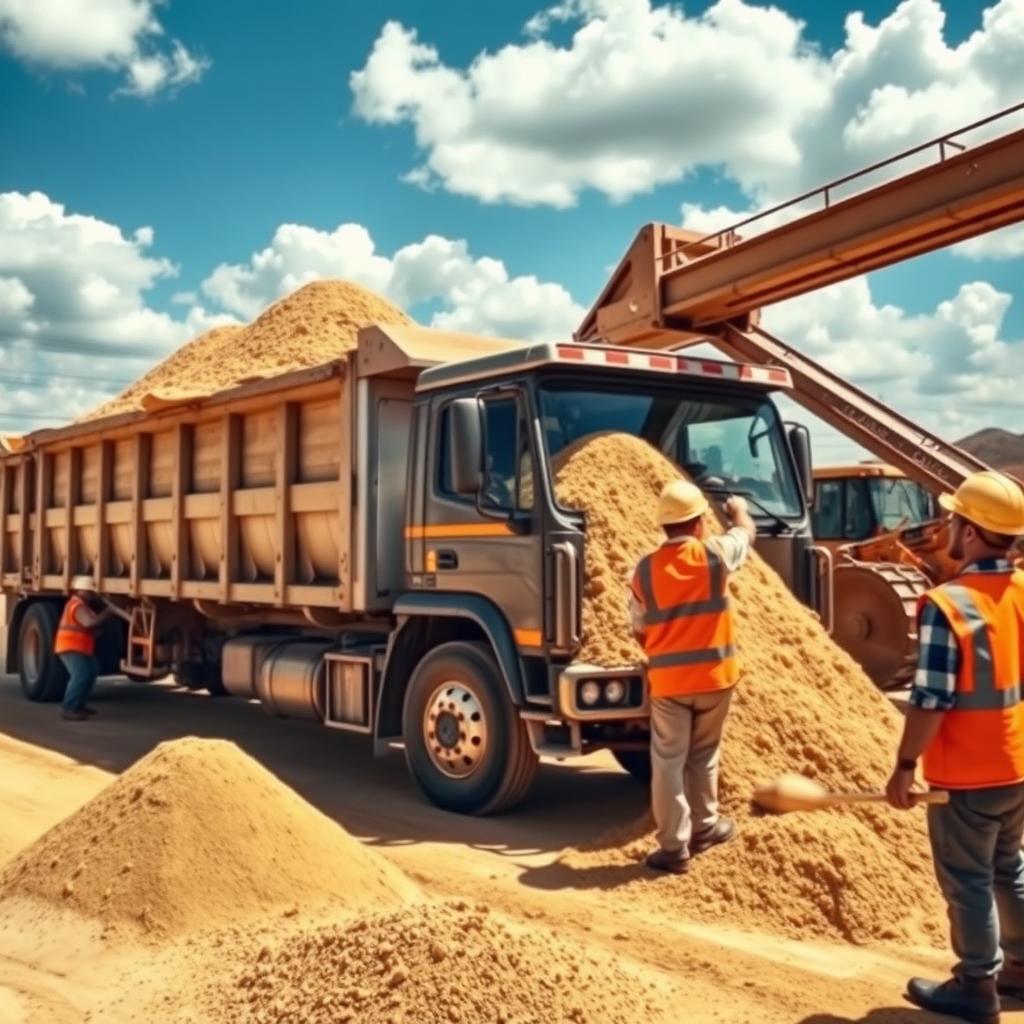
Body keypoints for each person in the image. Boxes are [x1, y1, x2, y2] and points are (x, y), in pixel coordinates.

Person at [885, 470, 1024, 1024]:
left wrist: (903, 766)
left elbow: (931, 699)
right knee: (1008, 869)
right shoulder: (1019, 593)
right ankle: (1018, 969)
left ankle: (976, 984)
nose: (945, 526)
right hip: (1016, 764)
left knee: (966, 879)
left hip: (966, 774)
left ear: (969, 532)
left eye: (952, 518)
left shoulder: (948, 604)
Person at [630, 479, 756, 875]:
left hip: (670, 683)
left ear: (664, 526)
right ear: (700, 522)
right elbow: (745, 536)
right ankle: (705, 827)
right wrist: (738, 513)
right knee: (703, 756)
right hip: (716, 678)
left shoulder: (644, 571)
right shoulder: (715, 555)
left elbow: (638, 629)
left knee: (668, 761)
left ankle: (673, 848)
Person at [55, 575, 122, 722]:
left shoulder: (83, 606)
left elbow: (90, 627)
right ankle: (69, 708)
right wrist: (108, 612)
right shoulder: (76, 605)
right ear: (84, 591)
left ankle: (79, 705)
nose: (93, 595)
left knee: (93, 669)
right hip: (70, 647)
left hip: (80, 647)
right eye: (91, 591)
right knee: (81, 674)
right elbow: (88, 623)